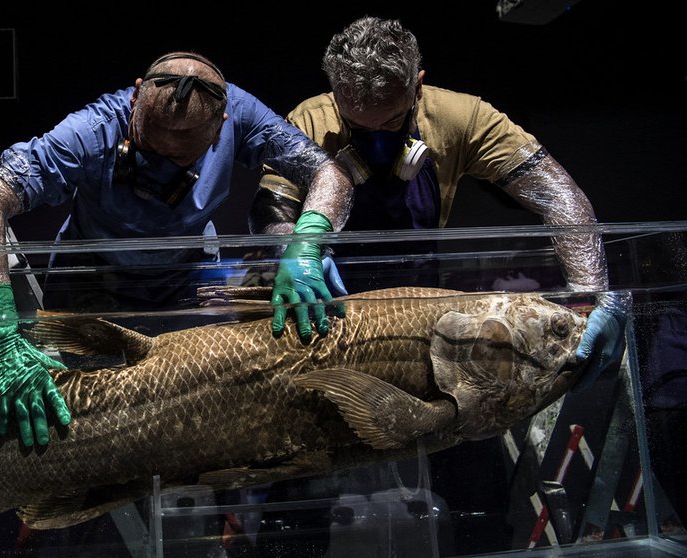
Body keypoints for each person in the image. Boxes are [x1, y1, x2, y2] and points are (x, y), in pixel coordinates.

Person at [0, 51, 354, 449]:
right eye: (149, 143)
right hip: (90, 281)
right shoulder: (92, 130)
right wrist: (0, 331)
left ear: (221, 126)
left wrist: (307, 244)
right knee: (78, 424)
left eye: (180, 156)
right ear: (136, 96)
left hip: (185, 279)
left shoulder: (242, 113)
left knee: (185, 417)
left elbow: (330, 174)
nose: (161, 161)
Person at [251, 15, 627, 390]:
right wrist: (297, 252)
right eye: (360, 129)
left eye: (392, 122)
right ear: (336, 92)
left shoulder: (461, 118)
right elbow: (271, 206)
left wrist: (592, 296)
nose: (377, 142)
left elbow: (558, 195)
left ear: (417, 86)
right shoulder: (309, 121)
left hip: (419, 302)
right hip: (323, 302)